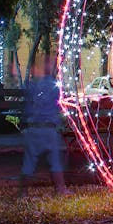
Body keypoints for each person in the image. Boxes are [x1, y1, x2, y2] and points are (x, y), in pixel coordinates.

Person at [18, 56, 71, 196]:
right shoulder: (55, 86)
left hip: (33, 127)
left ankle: (23, 191)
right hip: (49, 128)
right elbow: (60, 106)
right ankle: (60, 188)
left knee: (29, 161)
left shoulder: (33, 86)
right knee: (55, 160)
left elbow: (28, 105)